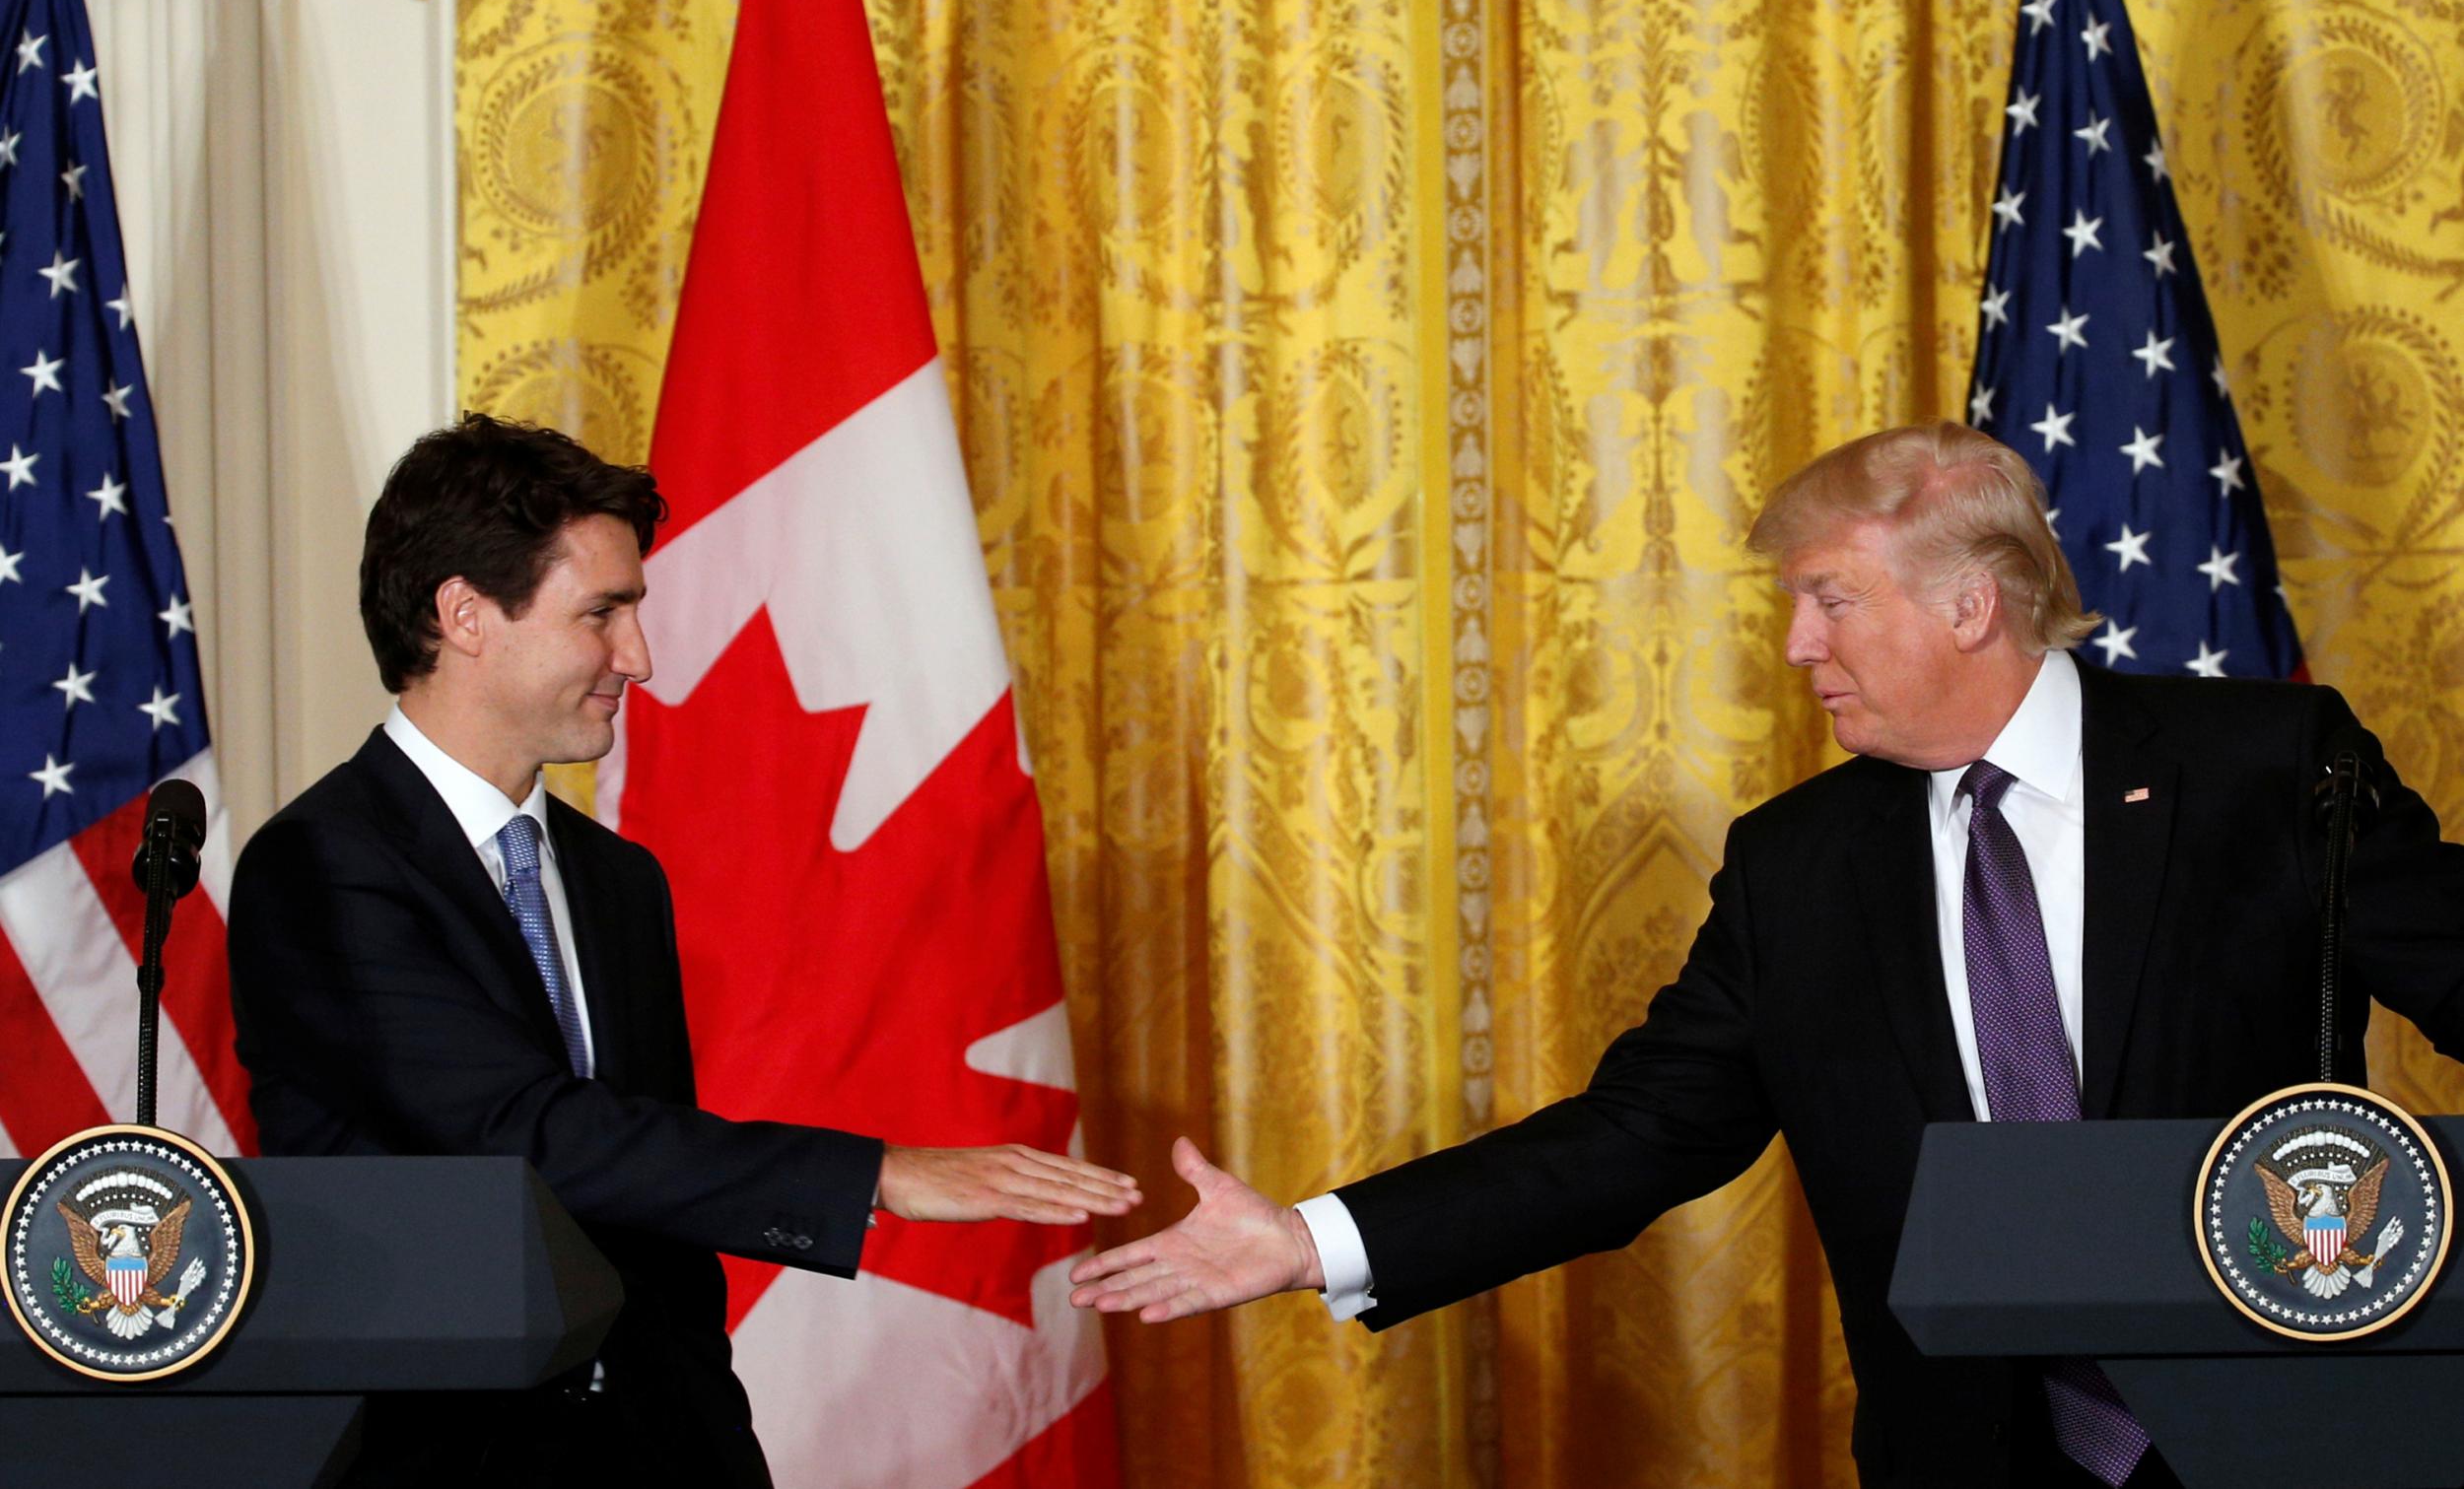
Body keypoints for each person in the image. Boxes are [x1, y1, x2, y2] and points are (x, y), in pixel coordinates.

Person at [1068, 422, 2464, 1489]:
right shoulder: (1797, 862)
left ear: (1972, 602)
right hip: (1963, 1459)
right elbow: (1641, 1131)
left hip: (2280, 1438)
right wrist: (1311, 1238)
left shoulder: (2269, 768)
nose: (1798, 644)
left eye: (1830, 598)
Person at [227, 414, 1139, 1487]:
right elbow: (523, 1135)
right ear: (464, 615)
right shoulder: (324, 867)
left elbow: (657, 1227)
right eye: (602, 614)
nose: (640, 659)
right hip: (447, 1464)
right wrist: (876, 1175)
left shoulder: (616, 879)